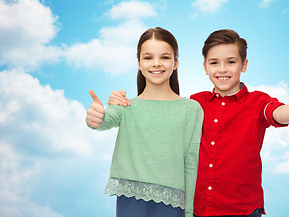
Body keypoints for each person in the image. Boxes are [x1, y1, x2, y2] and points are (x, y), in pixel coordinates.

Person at [107, 29, 289, 217]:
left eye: (231, 62)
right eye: (214, 63)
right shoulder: (195, 103)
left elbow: (276, 112)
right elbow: (162, 117)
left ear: (244, 65)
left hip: (242, 210)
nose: (222, 69)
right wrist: (120, 101)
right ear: (205, 67)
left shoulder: (256, 102)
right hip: (200, 210)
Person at [86, 27, 203, 217]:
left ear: (175, 63)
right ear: (139, 63)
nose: (156, 63)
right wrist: (95, 117)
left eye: (164, 57)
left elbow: (191, 163)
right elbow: (105, 120)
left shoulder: (191, 109)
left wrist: (189, 212)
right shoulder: (125, 105)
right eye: (148, 57)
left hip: (172, 204)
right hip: (130, 200)